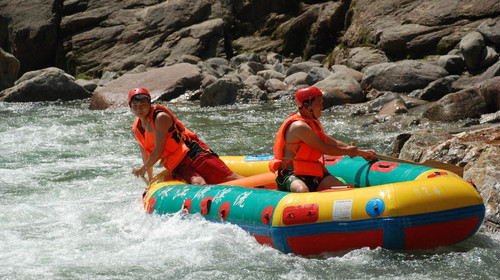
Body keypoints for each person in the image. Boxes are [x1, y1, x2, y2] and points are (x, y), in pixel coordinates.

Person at [269, 86, 377, 193]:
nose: (322, 107)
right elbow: (325, 148)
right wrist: (348, 152)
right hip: (291, 173)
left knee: (342, 189)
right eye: (318, 103)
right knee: (302, 190)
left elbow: (335, 143)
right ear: (307, 105)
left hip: (312, 172)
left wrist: (362, 153)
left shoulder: (312, 123)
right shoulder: (299, 126)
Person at [129, 87, 243, 185]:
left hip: (194, 155)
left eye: (143, 105)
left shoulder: (160, 117)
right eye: (135, 106)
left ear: (149, 104)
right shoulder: (137, 127)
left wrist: (142, 169)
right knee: (199, 184)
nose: (139, 109)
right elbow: (145, 154)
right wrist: (150, 180)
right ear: (130, 107)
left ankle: (260, 190)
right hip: (179, 165)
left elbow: (159, 151)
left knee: (229, 178)